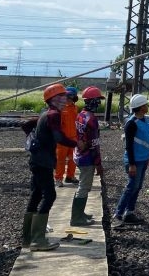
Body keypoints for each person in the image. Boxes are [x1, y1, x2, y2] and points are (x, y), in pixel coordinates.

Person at [23, 83, 78, 251]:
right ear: (52, 99)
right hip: (43, 162)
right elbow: (58, 136)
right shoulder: (54, 115)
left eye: (65, 96)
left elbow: (25, 125)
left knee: (36, 194)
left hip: (37, 160)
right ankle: (38, 240)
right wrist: (76, 143)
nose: (64, 99)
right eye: (61, 96)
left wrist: (34, 141)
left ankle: (28, 237)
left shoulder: (45, 114)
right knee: (50, 196)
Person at [112, 93, 149, 227]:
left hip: (142, 159)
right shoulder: (131, 124)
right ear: (141, 108)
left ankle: (129, 213)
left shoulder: (144, 121)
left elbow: (145, 141)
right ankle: (118, 214)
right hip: (134, 161)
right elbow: (129, 145)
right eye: (145, 104)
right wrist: (132, 164)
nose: (147, 106)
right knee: (131, 187)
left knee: (137, 187)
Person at [71, 86, 104, 226]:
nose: (99, 103)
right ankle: (76, 218)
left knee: (82, 186)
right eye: (98, 100)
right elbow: (94, 144)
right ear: (93, 101)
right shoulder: (92, 119)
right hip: (87, 158)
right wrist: (99, 164)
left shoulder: (81, 114)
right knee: (84, 187)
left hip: (78, 155)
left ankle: (80, 213)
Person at [54, 86, 79, 187]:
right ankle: (58, 178)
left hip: (73, 137)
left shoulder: (75, 108)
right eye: (67, 95)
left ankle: (70, 176)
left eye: (70, 96)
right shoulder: (60, 109)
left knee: (73, 159)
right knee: (61, 159)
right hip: (62, 139)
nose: (68, 98)